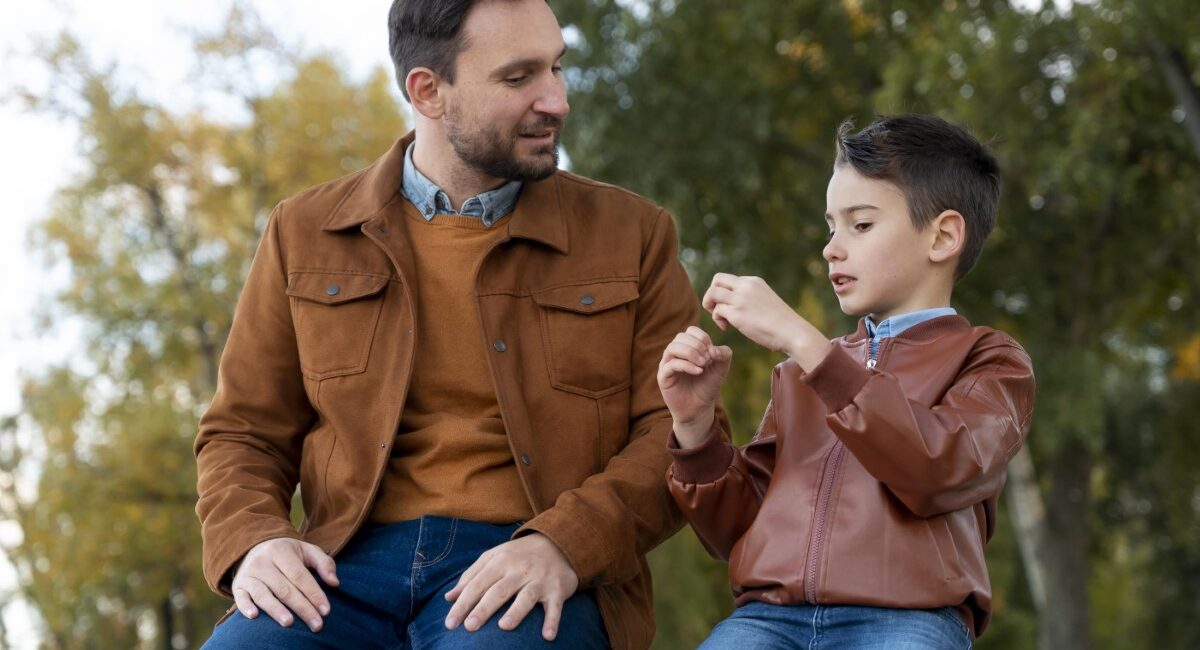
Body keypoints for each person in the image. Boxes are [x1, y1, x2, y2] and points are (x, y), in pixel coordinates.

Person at [195, 0, 708, 647]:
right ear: (428, 91)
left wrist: (566, 544)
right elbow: (242, 431)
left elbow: (679, 431)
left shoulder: (633, 234)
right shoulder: (303, 234)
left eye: (556, 67)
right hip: (341, 567)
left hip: (528, 561)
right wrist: (255, 541)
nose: (557, 100)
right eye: (520, 78)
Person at [657, 114, 1036, 649]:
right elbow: (738, 533)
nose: (832, 248)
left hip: (909, 620)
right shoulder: (800, 372)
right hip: (767, 622)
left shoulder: (990, 361)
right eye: (830, 226)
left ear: (944, 236)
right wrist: (694, 428)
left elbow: (937, 468)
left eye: (860, 225)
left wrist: (806, 344)